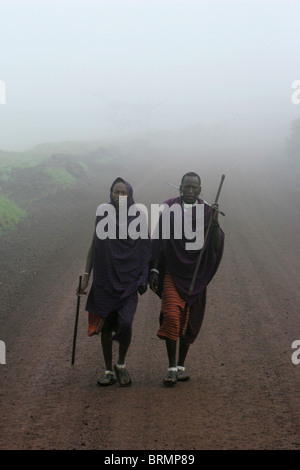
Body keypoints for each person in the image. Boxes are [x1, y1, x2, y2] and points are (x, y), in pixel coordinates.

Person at [149, 172, 224, 386]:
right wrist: (154, 269)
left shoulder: (208, 211)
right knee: (172, 315)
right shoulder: (169, 208)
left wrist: (215, 222)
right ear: (180, 187)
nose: (190, 191)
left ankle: (181, 365)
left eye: (194, 188)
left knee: (190, 320)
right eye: (187, 187)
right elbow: (159, 239)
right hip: (173, 272)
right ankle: (171, 368)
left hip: (196, 275)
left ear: (200, 190)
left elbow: (216, 246)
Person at [78, 177, 151, 387]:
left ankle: (121, 363)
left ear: (130, 195)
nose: (119, 196)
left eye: (123, 192)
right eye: (115, 192)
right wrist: (86, 276)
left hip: (129, 280)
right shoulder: (103, 214)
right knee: (107, 326)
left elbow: (146, 249)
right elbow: (94, 246)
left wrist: (143, 277)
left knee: (126, 323)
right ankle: (108, 369)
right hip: (104, 280)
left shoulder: (138, 215)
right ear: (110, 194)